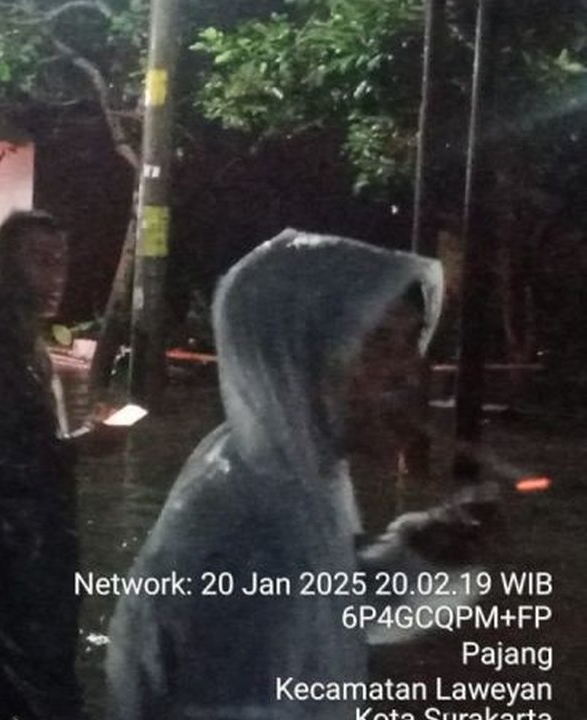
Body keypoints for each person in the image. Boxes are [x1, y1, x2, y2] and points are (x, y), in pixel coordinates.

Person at [105, 230, 495, 720]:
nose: (410, 370)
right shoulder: (252, 534)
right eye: (378, 341)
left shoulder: (280, 471)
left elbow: (323, 609)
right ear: (298, 353)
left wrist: (416, 558)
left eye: (410, 339)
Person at [0, 210, 125, 720]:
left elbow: (27, 444)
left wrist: (81, 438)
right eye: (41, 262)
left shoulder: (19, 344)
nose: (56, 277)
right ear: (4, 266)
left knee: (12, 695)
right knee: (33, 697)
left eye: (61, 262)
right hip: (3, 565)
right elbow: (16, 461)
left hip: (26, 557)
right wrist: (89, 442)